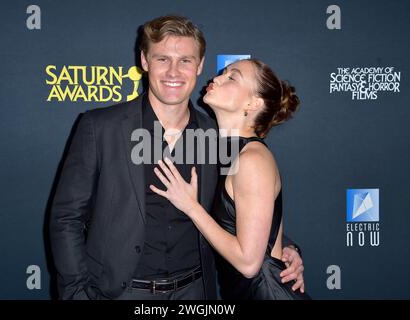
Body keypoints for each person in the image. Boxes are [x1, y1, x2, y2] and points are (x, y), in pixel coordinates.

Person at [50, 15, 305, 300]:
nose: (174, 71)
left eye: (185, 60)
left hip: (195, 293)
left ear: (199, 66)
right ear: (145, 62)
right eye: (162, 59)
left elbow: (242, 207)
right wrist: (75, 294)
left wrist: (284, 249)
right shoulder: (101, 127)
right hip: (121, 293)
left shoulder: (219, 138)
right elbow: (66, 218)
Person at [150, 58, 310, 299]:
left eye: (232, 77)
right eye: (223, 73)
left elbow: (248, 263)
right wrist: (289, 247)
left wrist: (191, 206)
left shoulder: (252, 160)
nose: (216, 79)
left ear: (253, 102)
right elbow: (255, 226)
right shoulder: (226, 151)